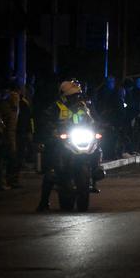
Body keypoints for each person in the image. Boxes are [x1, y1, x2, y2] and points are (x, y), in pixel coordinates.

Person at [36, 80, 95, 212]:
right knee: (51, 170)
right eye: (72, 95)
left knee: (96, 148)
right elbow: (45, 121)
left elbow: (91, 120)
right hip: (61, 141)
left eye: (77, 95)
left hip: (78, 138)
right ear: (64, 96)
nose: (75, 98)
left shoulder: (83, 107)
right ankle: (44, 201)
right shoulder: (55, 107)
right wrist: (53, 130)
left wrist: (98, 127)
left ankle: (95, 171)